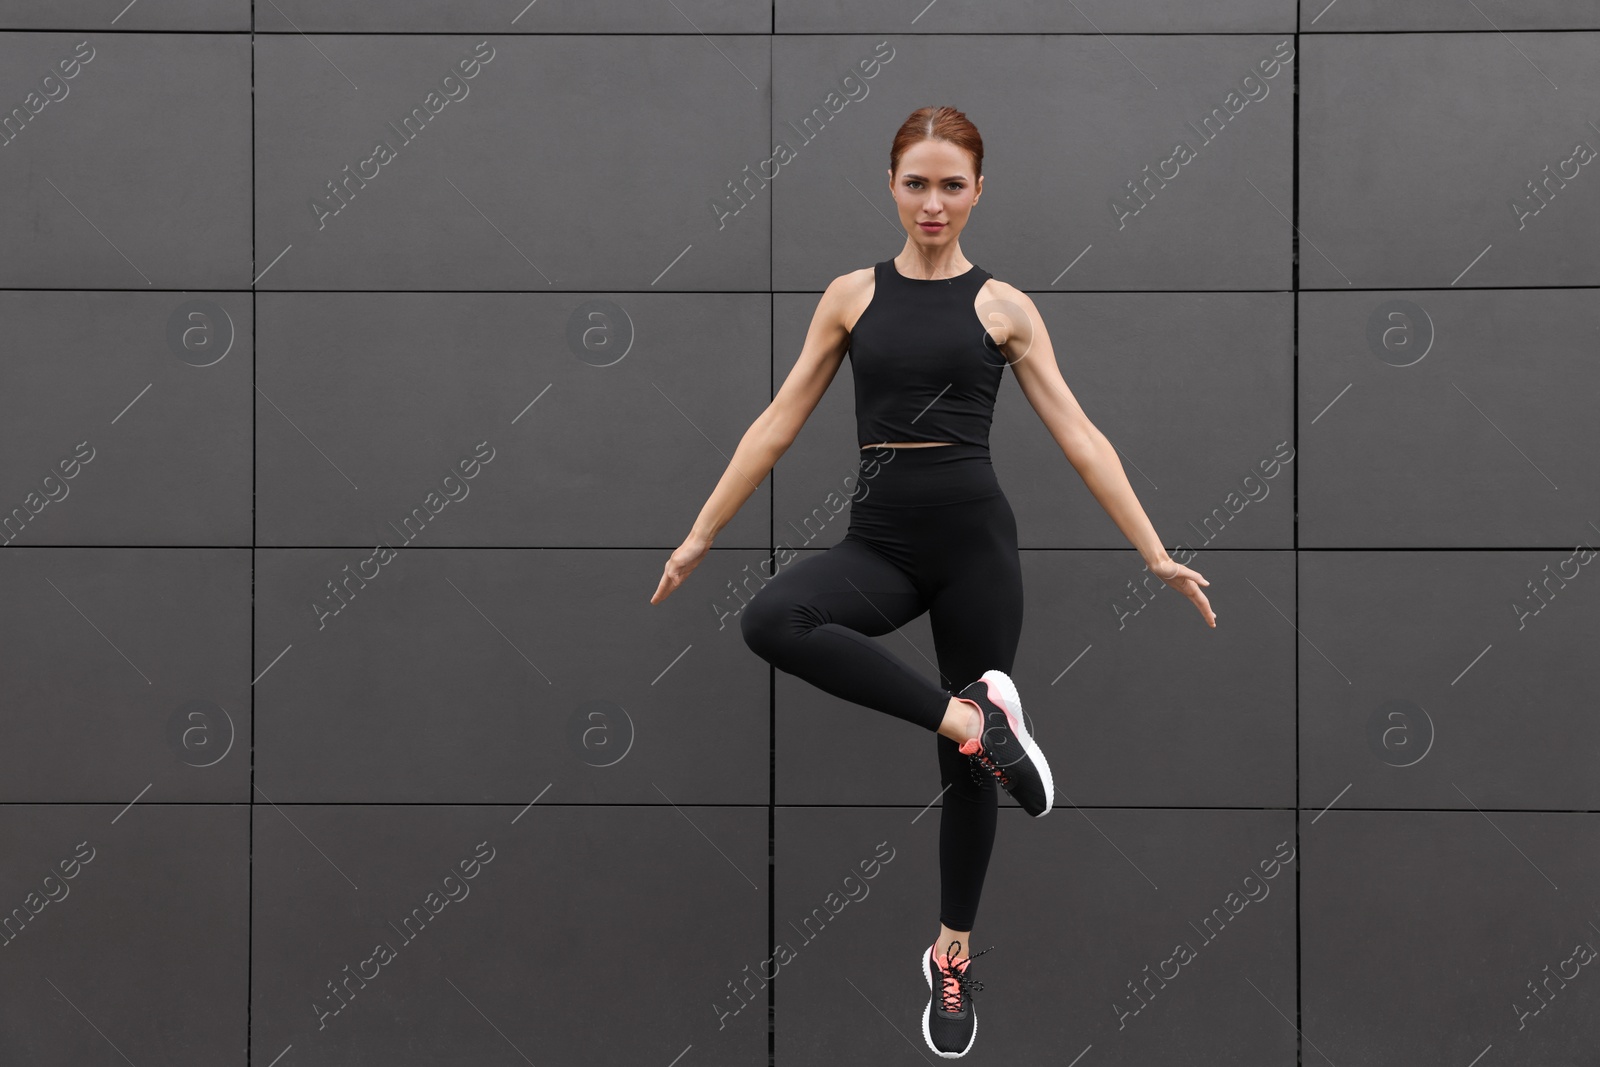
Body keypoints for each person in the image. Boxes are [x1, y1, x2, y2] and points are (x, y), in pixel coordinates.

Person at [650, 105, 1216, 1058]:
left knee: (968, 774)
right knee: (776, 619)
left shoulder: (1004, 307)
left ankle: (950, 952)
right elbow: (777, 420)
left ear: (979, 190)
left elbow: (1080, 434)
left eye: (953, 184)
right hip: (880, 543)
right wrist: (702, 532)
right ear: (891, 185)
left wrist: (1154, 552)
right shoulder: (849, 297)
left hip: (974, 551)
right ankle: (972, 719)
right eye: (917, 182)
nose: (934, 202)